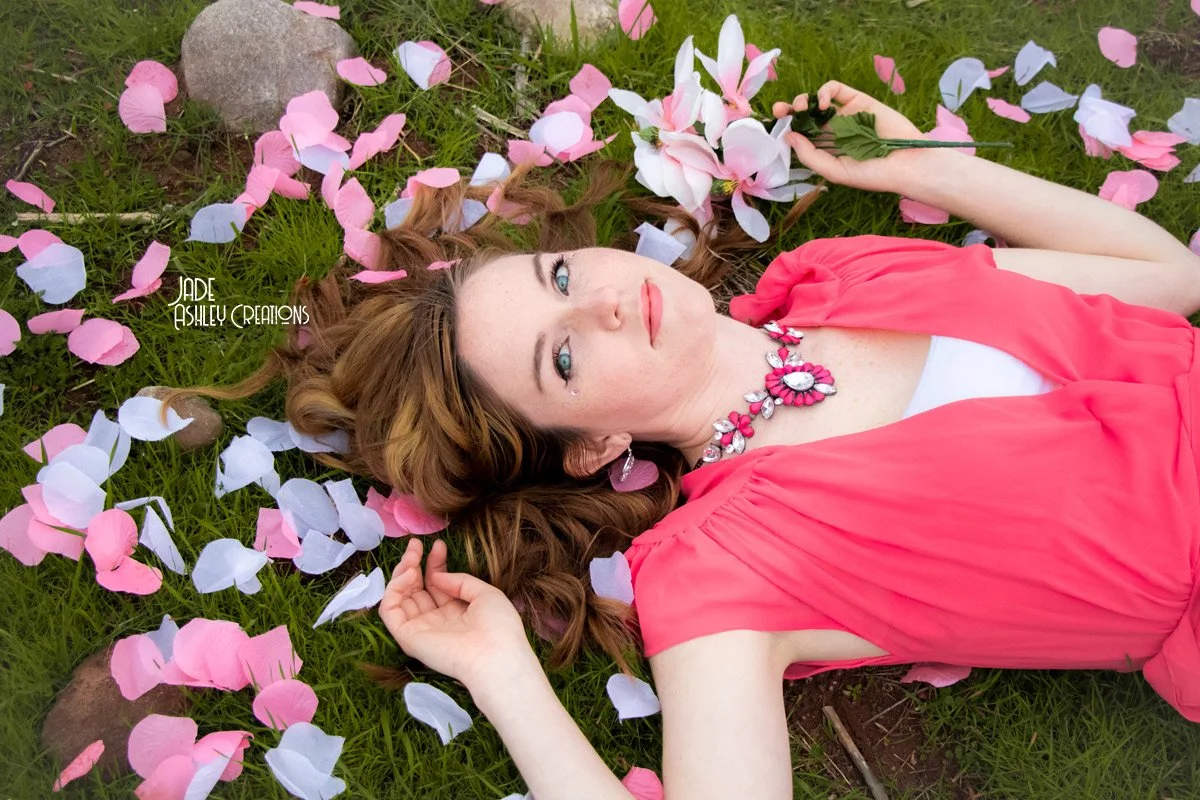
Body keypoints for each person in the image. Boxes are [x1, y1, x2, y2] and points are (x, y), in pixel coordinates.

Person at [169, 81, 1200, 799]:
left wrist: (927, 164)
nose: (607, 308)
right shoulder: (723, 573)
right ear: (588, 446)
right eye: (562, 362)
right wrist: (501, 672)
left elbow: (1169, 281)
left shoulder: (848, 278)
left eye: (563, 280)